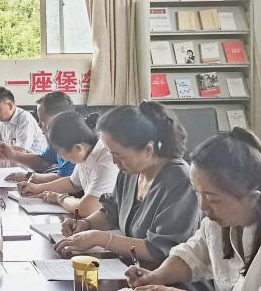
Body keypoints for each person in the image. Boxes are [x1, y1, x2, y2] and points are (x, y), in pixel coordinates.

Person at [124, 128, 261, 291]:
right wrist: (156, 276)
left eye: (213, 199)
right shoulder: (216, 224)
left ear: (252, 198)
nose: (203, 206)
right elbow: (194, 254)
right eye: (196, 192)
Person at [55, 102, 200, 265]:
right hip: (135, 269)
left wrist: (99, 238)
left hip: (166, 277)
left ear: (148, 149)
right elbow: (112, 210)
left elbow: (160, 250)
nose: (114, 161)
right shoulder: (130, 172)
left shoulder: (180, 181)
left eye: (119, 155)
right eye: (110, 153)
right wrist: (86, 224)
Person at [17, 111, 118, 216]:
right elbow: (72, 183)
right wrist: (36, 188)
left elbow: (86, 209)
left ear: (78, 148)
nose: (60, 157)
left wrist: (60, 198)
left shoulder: (107, 159)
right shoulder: (86, 152)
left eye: (60, 153)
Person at [2, 91, 76, 184]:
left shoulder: (74, 140)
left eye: (42, 121)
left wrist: (29, 176)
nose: (39, 125)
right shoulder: (57, 138)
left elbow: (66, 180)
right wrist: (13, 155)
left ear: (58, 118)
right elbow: (43, 161)